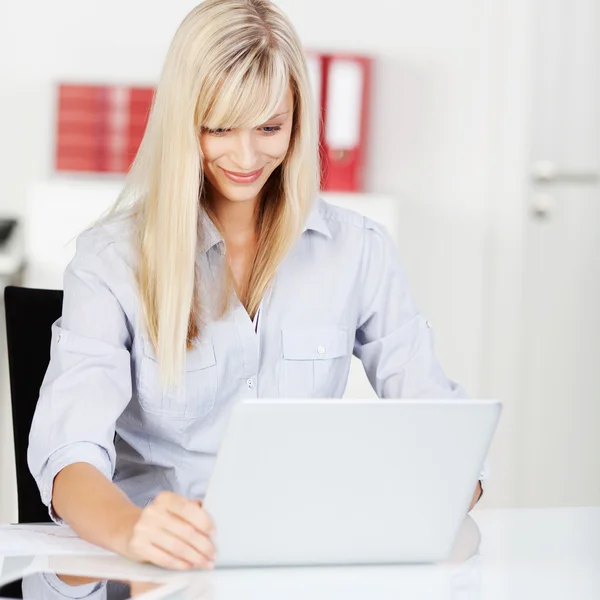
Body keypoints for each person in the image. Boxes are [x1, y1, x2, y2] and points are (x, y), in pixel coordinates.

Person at [28, 0, 484, 572]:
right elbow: (68, 457)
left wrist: (452, 478)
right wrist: (133, 530)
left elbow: (436, 418)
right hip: (161, 564)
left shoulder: (359, 249)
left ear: (298, 119)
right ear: (182, 122)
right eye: (219, 128)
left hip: (301, 555)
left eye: (270, 127)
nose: (247, 156)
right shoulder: (110, 260)